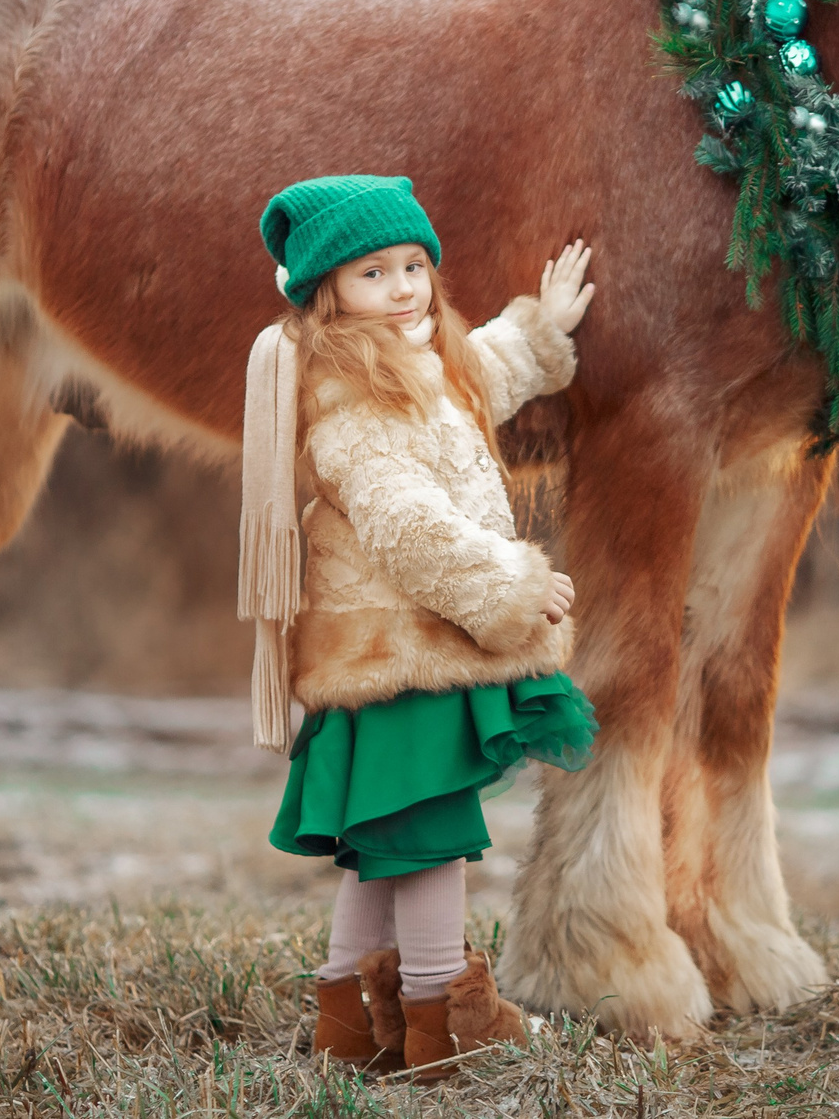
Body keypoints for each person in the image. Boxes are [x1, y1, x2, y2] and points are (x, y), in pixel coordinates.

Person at [237, 174, 597, 1081]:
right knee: (430, 835)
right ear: (327, 295)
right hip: (403, 651)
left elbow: (486, 369)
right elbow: (406, 527)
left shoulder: (418, 361)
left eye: (413, 264)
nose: (403, 287)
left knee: (382, 846)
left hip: (397, 654)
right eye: (372, 273)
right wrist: (512, 583)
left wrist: (542, 327)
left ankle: (349, 1020)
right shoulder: (351, 399)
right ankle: (446, 1020)